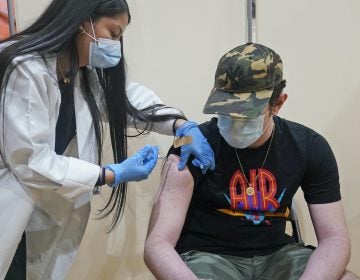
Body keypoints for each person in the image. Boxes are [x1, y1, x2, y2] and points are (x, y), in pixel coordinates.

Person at [0, 0, 215, 279]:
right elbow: (30, 161)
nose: (116, 45)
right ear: (82, 21)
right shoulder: (25, 69)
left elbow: (126, 101)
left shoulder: (75, 74)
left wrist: (180, 124)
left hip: (36, 214)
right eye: (113, 33)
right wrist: (110, 174)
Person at [144, 43, 359, 280]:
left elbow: (335, 239)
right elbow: (157, 245)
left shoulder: (308, 147)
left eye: (246, 114)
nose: (234, 122)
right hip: (209, 258)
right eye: (226, 111)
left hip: (278, 256)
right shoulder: (192, 147)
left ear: (278, 104)